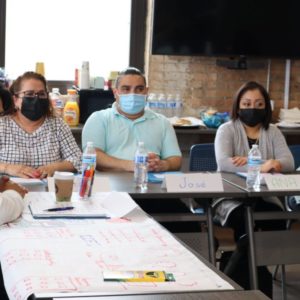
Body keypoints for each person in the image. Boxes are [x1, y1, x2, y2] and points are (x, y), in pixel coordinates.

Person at [214, 81, 294, 298]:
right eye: (247, 103)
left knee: (275, 220)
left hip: (265, 197)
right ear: (238, 106)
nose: (252, 108)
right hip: (229, 199)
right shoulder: (226, 129)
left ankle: (231, 279)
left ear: (266, 107)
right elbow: (224, 163)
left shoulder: (273, 131)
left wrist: (272, 163)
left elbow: (288, 162)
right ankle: (260, 285)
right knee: (246, 224)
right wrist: (264, 164)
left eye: (259, 104)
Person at [82, 67, 182, 172]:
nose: (133, 94)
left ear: (146, 92)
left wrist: (163, 164)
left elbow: (175, 159)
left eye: (139, 89)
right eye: (126, 89)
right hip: (110, 183)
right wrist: (131, 165)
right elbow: (93, 155)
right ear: (115, 92)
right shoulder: (98, 119)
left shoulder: (162, 122)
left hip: (150, 182)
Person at [0, 71, 82, 178]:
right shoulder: (2, 125)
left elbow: (78, 159)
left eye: (41, 94)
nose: (36, 98)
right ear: (16, 100)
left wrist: (55, 167)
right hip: (8, 190)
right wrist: (8, 168)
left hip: (49, 190)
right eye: (29, 94)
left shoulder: (57, 125)